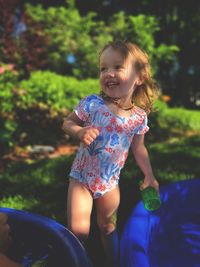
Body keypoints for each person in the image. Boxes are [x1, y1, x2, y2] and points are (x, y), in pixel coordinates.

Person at [62, 40, 160, 267]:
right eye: (103, 68)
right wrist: (79, 131)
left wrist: (150, 176)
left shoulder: (138, 117)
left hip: (110, 183)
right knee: (79, 231)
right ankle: (76, 261)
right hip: (82, 178)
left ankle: (112, 263)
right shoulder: (92, 104)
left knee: (108, 227)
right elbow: (67, 122)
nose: (108, 73)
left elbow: (139, 148)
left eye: (117, 67)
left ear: (139, 77)